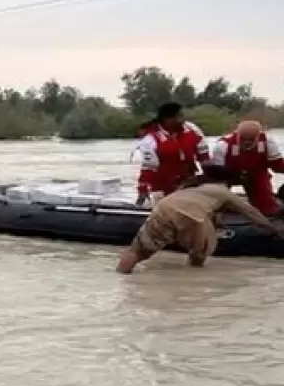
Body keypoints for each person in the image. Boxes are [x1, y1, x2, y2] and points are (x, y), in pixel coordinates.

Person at [117, 165, 284, 273]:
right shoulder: (223, 192)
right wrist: (274, 230)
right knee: (199, 253)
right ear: (226, 182)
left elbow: (210, 210)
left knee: (138, 251)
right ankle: (194, 278)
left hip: (163, 208)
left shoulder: (192, 186)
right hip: (192, 216)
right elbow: (253, 215)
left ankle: (121, 277)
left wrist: (218, 222)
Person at [135, 103, 209, 206]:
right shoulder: (150, 140)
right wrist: (142, 191)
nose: (183, 119)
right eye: (180, 116)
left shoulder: (192, 130)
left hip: (189, 184)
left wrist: (211, 180)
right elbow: (148, 171)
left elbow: (204, 158)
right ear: (168, 119)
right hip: (163, 189)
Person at [208, 120, 284, 215]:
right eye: (243, 139)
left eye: (251, 139)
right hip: (228, 175)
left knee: (267, 208)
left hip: (256, 175)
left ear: (258, 136)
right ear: (237, 135)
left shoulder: (268, 141)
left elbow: (277, 165)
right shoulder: (222, 145)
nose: (247, 142)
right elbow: (217, 173)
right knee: (216, 200)